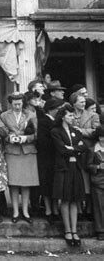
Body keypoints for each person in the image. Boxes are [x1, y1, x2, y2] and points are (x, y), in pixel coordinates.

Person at [51, 104, 87, 247]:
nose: (73, 118)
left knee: (75, 200)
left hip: (75, 167)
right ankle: (67, 230)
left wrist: (72, 148)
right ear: (63, 117)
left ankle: (74, 230)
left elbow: (83, 147)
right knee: (65, 199)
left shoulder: (76, 131)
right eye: (70, 115)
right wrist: (75, 149)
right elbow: (61, 150)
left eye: (73, 115)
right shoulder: (56, 131)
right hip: (63, 168)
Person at [1, 92, 39, 224]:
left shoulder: (31, 115)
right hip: (12, 151)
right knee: (14, 182)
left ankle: (25, 211)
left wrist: (26, 138)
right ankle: (16, 211)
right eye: (15, 103)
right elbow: (2, 133)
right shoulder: (4, 116)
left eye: (20, 103)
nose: (17, 106)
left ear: (23, 102)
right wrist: (9, 137)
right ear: (10, 103)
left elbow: (37, 134)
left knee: (26, 182)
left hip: (27, 151)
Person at [71, 91, 100, 219]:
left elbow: (96, 131)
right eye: (81, 102)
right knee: (76, 180)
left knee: (88, 180)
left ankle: (88, 208)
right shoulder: (69, 114)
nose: (84, 104)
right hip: (73, 151)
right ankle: (78, 209)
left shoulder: (93, 115)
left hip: (88, 151)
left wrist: (81, 131)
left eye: (84, 102)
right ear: (74, 103)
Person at [37, 97, 62, 224]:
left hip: (56, 157)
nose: (59, 111)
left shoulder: (58, 121)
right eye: (58, 108)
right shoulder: (43, 121)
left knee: (55, 184)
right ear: (51, 109)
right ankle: (48, 209)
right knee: (46, 183)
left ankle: (56, 209)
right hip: (46, 157)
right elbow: (42, 141)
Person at [86, 125, 104, 240]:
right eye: (101, 137)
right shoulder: (92, 149)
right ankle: (100, 230)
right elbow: (88, 165)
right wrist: (98, 166)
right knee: (98, 206)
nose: (103, 139)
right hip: (97, 181)